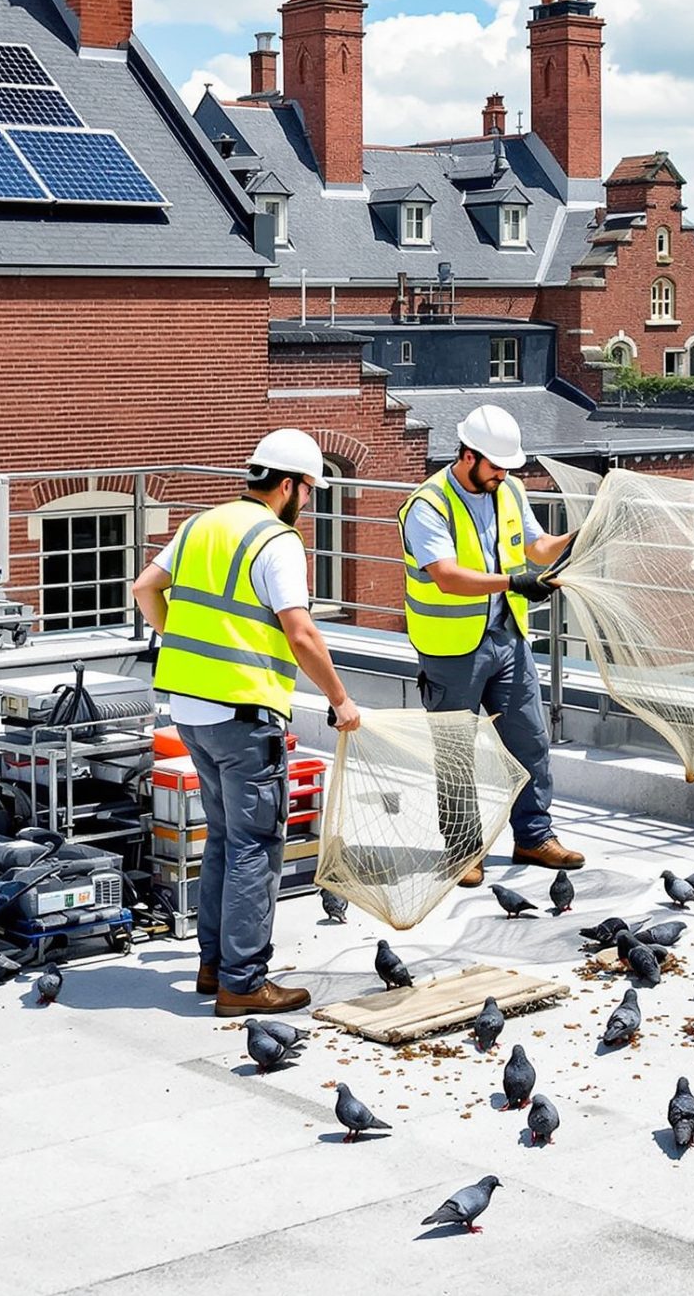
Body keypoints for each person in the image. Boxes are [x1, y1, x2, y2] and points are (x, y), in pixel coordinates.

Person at [131, 428, 360, 1017]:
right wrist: (340, 699)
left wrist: (181, 641)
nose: (308, 504)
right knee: (257, 846)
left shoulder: (200, 524)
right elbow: (301, 631)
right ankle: (244, 982)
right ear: (287, 486)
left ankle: (214, 965)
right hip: (241, 715)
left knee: (225, 839)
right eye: (308, 492)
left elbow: (144, 589)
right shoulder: (277, 542)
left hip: (189, 710)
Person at [402, 404, 581, 887]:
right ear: (467, 455)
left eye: (507, 467)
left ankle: (534, 836)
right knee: (457, 752)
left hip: (508, 639)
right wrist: (514, 583)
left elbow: (535, 548)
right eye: (495, 466)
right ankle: (464, 852)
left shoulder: (509, 489)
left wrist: (575, 539)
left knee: (531, 740)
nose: (503, 474)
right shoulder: (428, 506)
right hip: (450, 648)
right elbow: (448, 578)